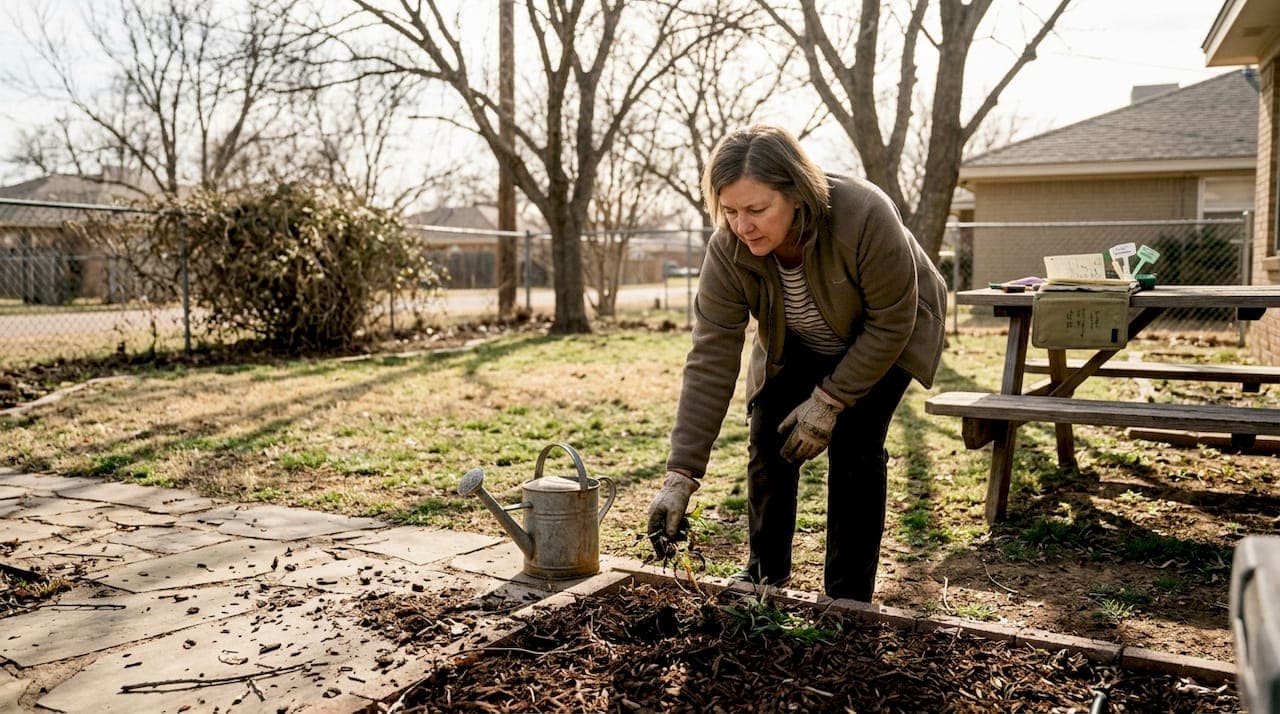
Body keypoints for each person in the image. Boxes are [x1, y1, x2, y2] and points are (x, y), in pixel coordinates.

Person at [646, 124, 947, 601]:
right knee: (768, 434)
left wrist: (829, 402)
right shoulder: (729, 250)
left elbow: (893, 321)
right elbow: (710, 357)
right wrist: (680, 475)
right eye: (730, 211)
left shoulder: (864, 213)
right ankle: (765, 574)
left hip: (889, 334)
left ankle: (848, 597)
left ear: (797, 194)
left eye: (757, 210)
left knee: (855, 447)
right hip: (800, 340)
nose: (742, 226)